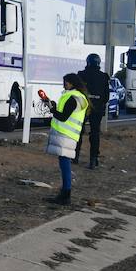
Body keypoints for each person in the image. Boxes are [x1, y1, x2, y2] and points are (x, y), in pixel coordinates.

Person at [45, 75, 90, 206]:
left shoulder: (72, 98)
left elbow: (63, 116)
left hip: (65, 134)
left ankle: (65, 194)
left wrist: (52, 109)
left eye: (66, 82)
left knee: (64, 164)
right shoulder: (78, 97)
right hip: (70, 135)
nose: (64, 84)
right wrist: (53, 105)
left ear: (72, 83)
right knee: (65, 163)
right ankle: (65, 193)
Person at [77, 53, 110, 170]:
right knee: (95, 133)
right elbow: (106, 96)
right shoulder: (104, 77)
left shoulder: (81, 75)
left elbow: (77, 92)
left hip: (83, 107)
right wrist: (99, 103)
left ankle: (75, 156)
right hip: (97, 108)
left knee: (78, 132)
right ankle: (93, 159)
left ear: (87, 62)